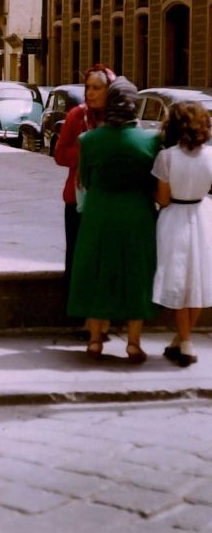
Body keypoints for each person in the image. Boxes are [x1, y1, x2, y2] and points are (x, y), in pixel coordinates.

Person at [68, 77, 160, 363]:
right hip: (138, 214)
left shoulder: (89, 140)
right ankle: (133, 344)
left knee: (96, 273)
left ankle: (95, 341)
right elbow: (156, 181)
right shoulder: (151, 140)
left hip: (99, 213)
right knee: (137, 274)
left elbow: (86, 179)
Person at [152, 102, 212, 367]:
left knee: (177, 279)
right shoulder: (210, 156)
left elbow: (163, 199)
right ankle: (181, 339)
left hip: (175, 216)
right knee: (198, 279)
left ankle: (185, 343)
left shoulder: (167, 157)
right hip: (202, 214)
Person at [54, 64, 116, 291]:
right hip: (77, 199)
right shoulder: (76, 115)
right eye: (88, 87)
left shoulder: (115, 119)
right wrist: (87, 151)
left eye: (97, 88)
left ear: (109, 90)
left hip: (107, 198)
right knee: (77, 255)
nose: (90, 93)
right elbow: (60, 154)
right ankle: (75, 309)